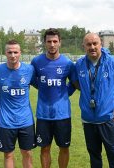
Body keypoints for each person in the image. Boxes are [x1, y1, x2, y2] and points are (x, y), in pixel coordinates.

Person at [75, 33, 114, 168]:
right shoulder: (80, 64)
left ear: (101, 44)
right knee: (94, 157)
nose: (92, 47)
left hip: (109, 119)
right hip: (88, 120)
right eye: (88, 44)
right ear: (84, 46)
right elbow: (74, 83)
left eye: (95, 43)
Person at [31, 28, 80, 168]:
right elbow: (33, 81)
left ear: (60, 42)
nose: (52, 44)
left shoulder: (68, 63)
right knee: (45, 148)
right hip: (43, 114)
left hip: (62, 114)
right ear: (44, 43)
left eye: (55, 41)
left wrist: (65, 92)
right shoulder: (36, 62)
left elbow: (75, 83)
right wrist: (43, 88)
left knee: (64, 148)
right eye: (49, 41)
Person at [0, 39, 37, 168]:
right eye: (10, 52)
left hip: (26, 120)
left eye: (15, 52)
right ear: (5, 53)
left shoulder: (29, 70)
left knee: (27, 152)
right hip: (6, 121)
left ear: (20, 53)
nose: (13, 55)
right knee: (8, 154)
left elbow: (38, 85)